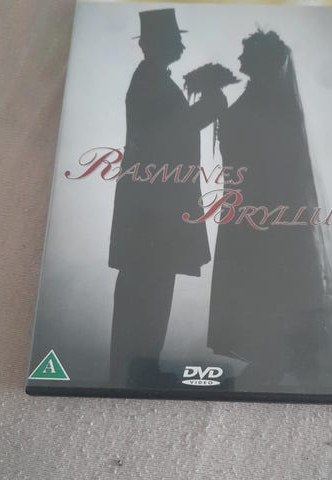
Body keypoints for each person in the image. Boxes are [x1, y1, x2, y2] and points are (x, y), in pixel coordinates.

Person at [207, 30, 332, 389]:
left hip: (263, 207)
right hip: (247, 203)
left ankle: (273, 357)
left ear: (261, 61)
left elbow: (265, 156)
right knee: (256, 279)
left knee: (264, 277)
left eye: (246, 54)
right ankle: (269, 355)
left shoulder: (270, 101)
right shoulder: (261, 95)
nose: (239, 60)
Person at [109, 9, 227, 387]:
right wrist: (212, 102)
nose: (182, 46)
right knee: (149, 286)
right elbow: (170, 132)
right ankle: (136, 368)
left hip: (152, 206)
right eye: (176, 40)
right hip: (152, 210)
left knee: (151, 286)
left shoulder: (152, 79)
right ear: (156, 44)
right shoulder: (150, 82)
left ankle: (140, 366)